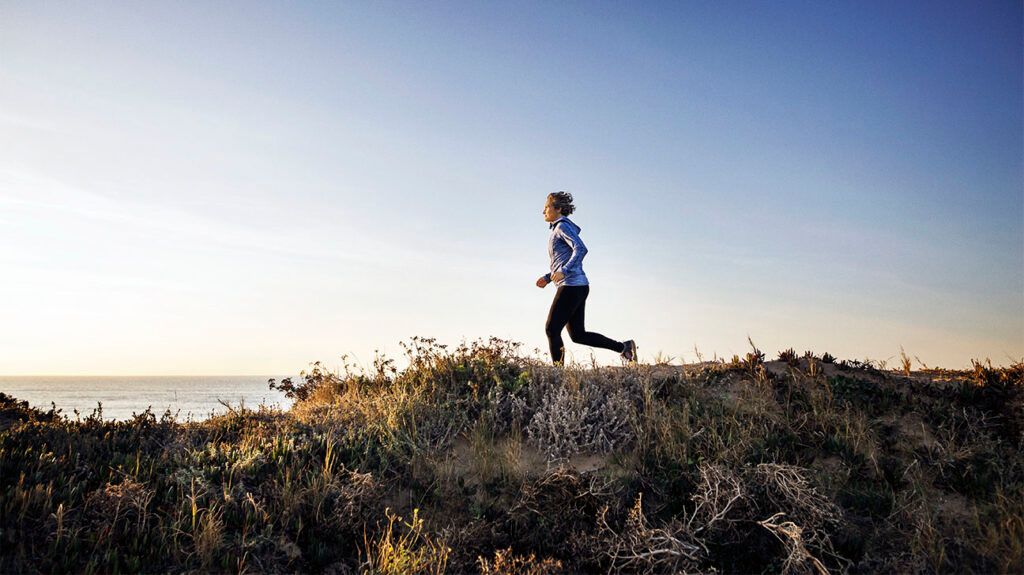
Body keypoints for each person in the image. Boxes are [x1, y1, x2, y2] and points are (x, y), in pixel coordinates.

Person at [536, 191, 637, 365]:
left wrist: (565, 271)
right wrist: (548, 277)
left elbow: (581, 249)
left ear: (558, 209)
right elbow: (562, 260)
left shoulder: (561, 227)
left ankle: (558, 374)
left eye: (546, 207)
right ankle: (624, 347)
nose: (543, 211)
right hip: (576, 286)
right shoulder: (558, 229)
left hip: (572, 286)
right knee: (578, 335)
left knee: (552, 329)